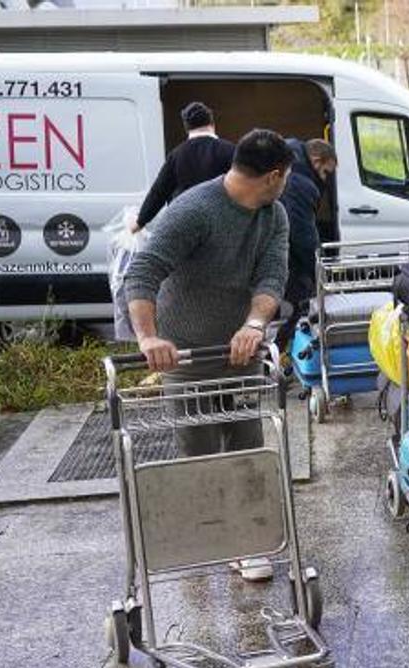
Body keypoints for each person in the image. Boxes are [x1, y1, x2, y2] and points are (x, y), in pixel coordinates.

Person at [124, 128, 293, 582]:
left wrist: (254, 325)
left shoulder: (273, 215)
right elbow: (141, 273)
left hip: (239, 349)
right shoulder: (194, 211)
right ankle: (202, 538)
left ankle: (246, 544)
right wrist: (148, 338)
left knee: (246, 440)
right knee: (197, 448)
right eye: (287, 177)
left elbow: (272, 277)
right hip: (186, 353)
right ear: (275, 175)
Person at [131, 101, 236, 233]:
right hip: (220, 225)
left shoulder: (176, 155)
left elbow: (159, 192)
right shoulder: (230, 151)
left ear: (186, 128)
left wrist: (140, 222)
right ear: (212, 124)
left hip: (184, 226)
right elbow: (246, 184)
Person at [279, 138, 338, 348]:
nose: (325, 180)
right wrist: (318, 271)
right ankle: (283, 353)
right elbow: (302, 235)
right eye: (325, 173)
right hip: (285, 257)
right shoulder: (301, 185)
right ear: (315, 160)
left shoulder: (288, 161)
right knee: (299, 303)